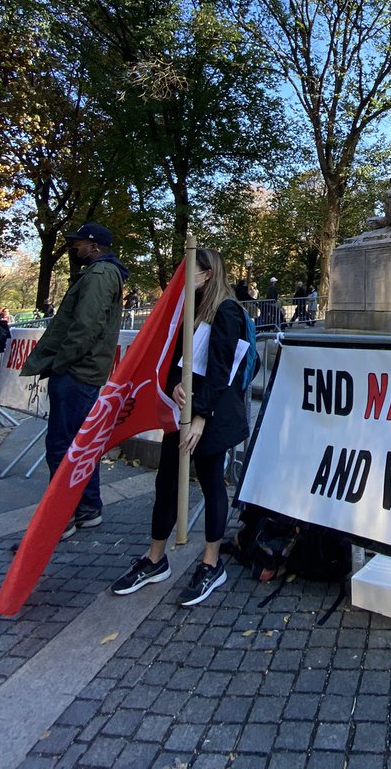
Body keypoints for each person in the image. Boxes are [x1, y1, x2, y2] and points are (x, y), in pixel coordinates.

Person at [111, 248, 250, 607]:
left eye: (192, 271)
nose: (185, 278)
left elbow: (222, 369)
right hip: (182, 411)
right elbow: (174, 359)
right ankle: (155, 558)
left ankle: (211, 563)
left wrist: (200, 416)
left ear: (209, 273)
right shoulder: (188, 309)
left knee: (211, 482)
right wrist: (174, 383)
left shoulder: (227, 310)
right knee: (167, 481)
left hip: (210, 415)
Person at [21, 223, 127, 534]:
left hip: (76, 372)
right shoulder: (101, 273)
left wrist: (62, 363)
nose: (74, 247)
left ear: (94, 246)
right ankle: (86, 507)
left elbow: (85, 326)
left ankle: (62, 516)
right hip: (82, 370)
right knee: (78, 444)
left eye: (78, 242)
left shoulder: (99, 274)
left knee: (62, 445)